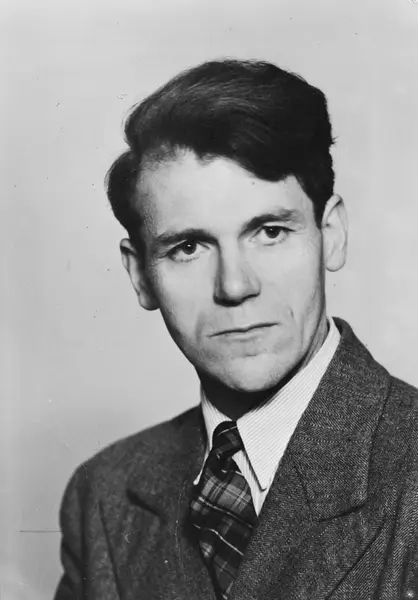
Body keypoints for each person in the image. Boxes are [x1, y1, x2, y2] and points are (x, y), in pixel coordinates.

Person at [54, 59, 418, 600]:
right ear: (140, 275)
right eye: (188, 247)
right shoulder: (104, 496)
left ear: (332, 234)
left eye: (270, 232)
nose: (235, 285)